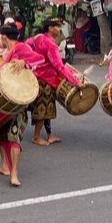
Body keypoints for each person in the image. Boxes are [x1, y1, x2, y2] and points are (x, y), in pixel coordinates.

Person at [0, 25, 42, 187]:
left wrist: (25, 62)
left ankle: (14, 173)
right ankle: (5, 167)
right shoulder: (10, 52)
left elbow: (40, 59)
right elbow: (0, 69)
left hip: (18, 99)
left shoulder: (21, 47)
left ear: (3, 37)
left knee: (14, 137)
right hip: (6, 99)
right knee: (1, 135)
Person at [24, 17, 84, 146]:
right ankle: (36, 137)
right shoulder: (51, 45)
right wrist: (75, 82)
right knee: (43, 109)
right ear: (50, 28)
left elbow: (27, 44)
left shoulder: (39, 37)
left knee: (48, 108)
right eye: (57, 26)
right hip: (46, 80)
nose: (59, 29)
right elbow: (59, 66)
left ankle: (50, 135)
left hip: (36, 77)